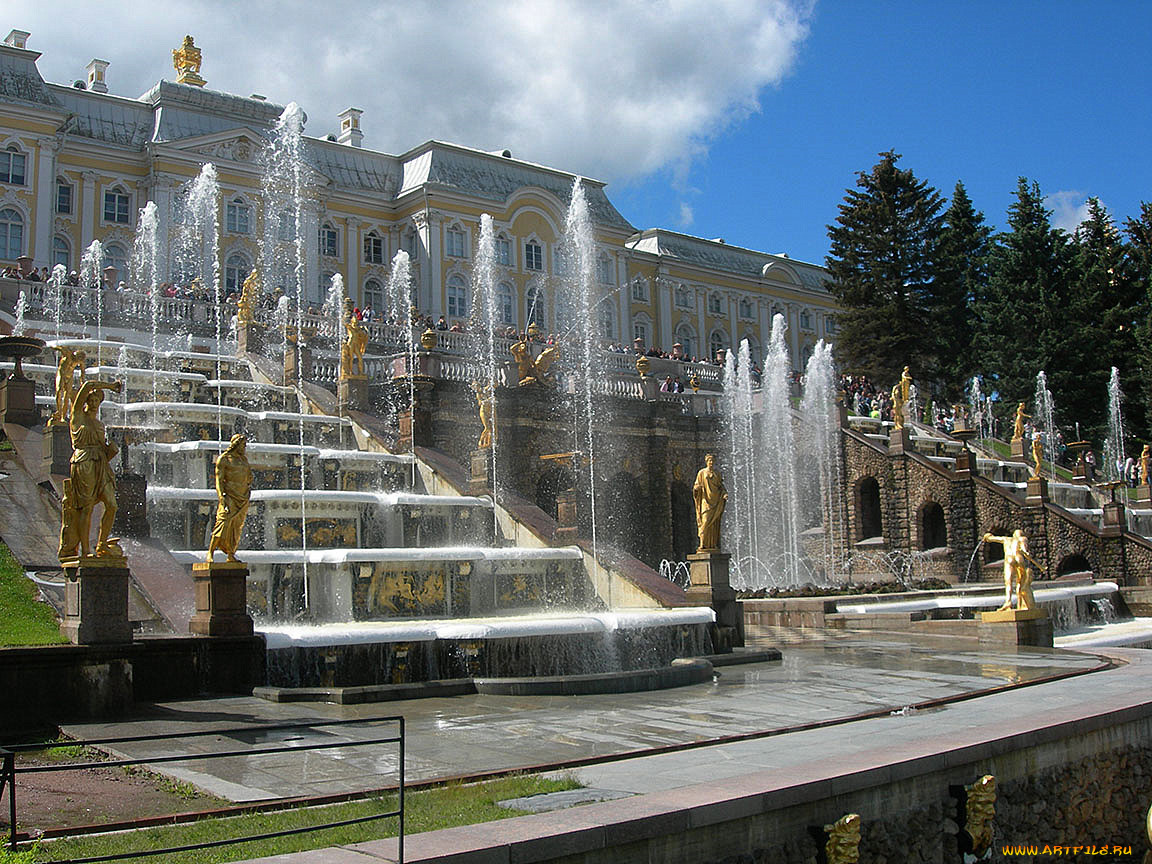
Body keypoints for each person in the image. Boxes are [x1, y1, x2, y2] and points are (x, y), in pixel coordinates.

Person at [65, 378, 123, 558]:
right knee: (87, 508)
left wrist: (111, 450)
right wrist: (111, 386)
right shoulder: (77, 416)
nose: (92, 403)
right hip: (84, 463)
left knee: (112, 505)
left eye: (96, 400)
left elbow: (104, 451)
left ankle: (102, 543)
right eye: (90, 400)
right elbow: (88, 385)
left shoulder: (100, 425)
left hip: (101, 465)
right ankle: (85, 551)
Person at [206, 434, 253, 563]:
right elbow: (219, 481)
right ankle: (211, 552)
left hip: (242, 497)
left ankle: (231, 554)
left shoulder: (244, 460)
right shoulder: (224, 459)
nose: (244, 447)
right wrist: (222, 497)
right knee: (222, 523)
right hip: (230, 496)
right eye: (242, 445)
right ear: (235, 445)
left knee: (237, 527)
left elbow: (248, 477)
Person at [983, 529, 1040, 612]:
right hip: (1019, 558)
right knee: (1021, 582)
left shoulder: (1006, 539)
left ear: (1014, 534)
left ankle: (1008, 602)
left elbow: (993, 539)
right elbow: (1025, 551)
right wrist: (1027, 554)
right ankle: (1021, 604)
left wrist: (988, 537)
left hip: (1009, 559)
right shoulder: (1022, 539)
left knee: (1008, 582)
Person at [692, 453, 727, 551]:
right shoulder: (701, 473)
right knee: (705, 522)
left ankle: (713, 545)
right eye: (709, 461)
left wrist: (724, 494)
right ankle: (702, 544)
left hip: (715, 501)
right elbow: (696, 485)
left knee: (714, 524)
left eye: (712, 460)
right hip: (705, 501)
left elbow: (721, 487)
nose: (711, 462)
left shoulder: (717, 474)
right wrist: (696, 489)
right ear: (706, 462)